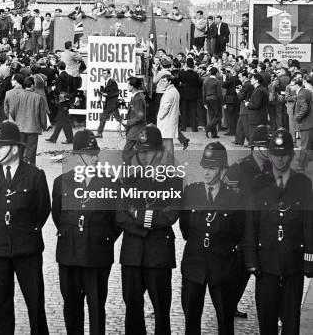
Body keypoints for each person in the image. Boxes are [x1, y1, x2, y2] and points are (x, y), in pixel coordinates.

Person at [0, 121, 51, 335]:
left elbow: (42, 210)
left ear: (16, 148)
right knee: (1, 303)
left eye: (2, 146)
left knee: (35, 302)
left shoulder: (35, 175)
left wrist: (25, 229)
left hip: (27, 248)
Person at [244, 129, 313, 334]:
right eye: (275, 154)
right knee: (267, 320)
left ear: (291, 155)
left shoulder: (303, 184)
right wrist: (251, 260)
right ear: (270, 155)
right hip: (266, 263)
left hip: (293, 262)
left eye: (284, 154)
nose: (280, 159)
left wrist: (309, 260)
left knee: (291, 322)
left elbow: (309, 223)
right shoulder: (259, 183)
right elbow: (251, 225)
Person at [51, 130, 121, 335]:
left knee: (97, 307)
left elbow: (116, 222)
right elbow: (58, 217)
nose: (94, 158)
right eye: (89, 154)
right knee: (71, 306)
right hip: (69, 254)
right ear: (75, 156)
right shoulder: (61, 182)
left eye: (95, 153)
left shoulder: (111, 183)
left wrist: (99, 237)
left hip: (97, 254)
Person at [116, 124, 182, 335]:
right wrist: (148, 221)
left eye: (148, 152)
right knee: (132, 309)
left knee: (161, 309)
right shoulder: (127, 174)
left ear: (159, 151)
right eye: (141, 152)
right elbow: (119, 214)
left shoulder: (172, 176)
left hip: (158, 252)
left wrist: (138, 215)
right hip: (132, 252)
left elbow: (171, 215)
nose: (144, 157)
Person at [180, 142, 243, 335]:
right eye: (205, 167)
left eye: (212, 168)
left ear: (223, 169)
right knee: (191, 321)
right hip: (194, 265)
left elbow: (237, 232)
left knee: (225, 321)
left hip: (222, 267)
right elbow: (185, 229)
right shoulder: (191, 192)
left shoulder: (233, 198)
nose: (207, 172)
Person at [224, 124, 271, 319]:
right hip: (242, 231)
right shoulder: (239, 169)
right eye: (264, 146)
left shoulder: (272, 168)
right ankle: (227, 307)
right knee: (238, 275)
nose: (268, 150)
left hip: (263, 230)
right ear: (254, 147)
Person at [7, 76, 49, 165]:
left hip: (20, 127)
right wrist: (44, 126)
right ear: (32, 85)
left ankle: (19, 168)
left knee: (20, 150)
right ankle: (31, 169)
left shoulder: (17, 96)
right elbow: (42, 114)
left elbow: (12, 111)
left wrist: (17, 120)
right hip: (33, 128)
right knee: (31, 151)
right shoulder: (38, 97)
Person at [120, 77, 147, 163]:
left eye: (128, 84)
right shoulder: (137, 97)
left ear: (132, 86)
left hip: (136, 131)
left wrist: (127, 122)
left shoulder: (137, 98)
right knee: (133, 153)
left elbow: (139, 116)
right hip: (136, 130)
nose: (127, 86)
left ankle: (126, 174)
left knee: (126, 153)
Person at [157, 73, 181, 160]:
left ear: (169, 82)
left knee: (167, 145)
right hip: (170, 121)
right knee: (168, 145)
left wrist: (159, 116)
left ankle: (167, 166)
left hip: (166, 122)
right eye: (161, 81)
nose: (162, 83)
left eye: (164, 81)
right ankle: (167, 165)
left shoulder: (169, 93)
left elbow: (165, 107)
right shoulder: (173, 91)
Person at [95, 68, 121, 138]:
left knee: (117, 118)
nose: (103, 75)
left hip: (112, 103)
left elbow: (116, 93)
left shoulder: (112, 82)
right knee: (104, 118)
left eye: (105, 73)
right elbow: (102, 91)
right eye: (103, 73)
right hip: (108, 103)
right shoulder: (104, 82)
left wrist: (107, 95)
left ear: (109, 74)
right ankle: (99, 133)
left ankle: (129, 129)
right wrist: (100, 98)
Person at [294, 74, 313, 171]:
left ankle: (301, 165)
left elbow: (304, 108)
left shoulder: (301, 94)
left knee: (304, 145)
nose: (291, 86)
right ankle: (303, 163)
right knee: (307, 145)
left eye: (292, 85)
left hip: (306, 123)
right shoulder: (306, 92)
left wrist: (298, 117)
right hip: (309, 122)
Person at [202, 67, 223, 138]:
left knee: (212, 116)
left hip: (207, 99)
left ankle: (213, 134)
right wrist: (222, 102)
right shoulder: (217, 81)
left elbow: (203, 92)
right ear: (216, 73)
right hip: (215, 99)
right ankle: (208, 128)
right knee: (218, 116)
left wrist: (204, 102)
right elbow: (219, 93)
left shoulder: (205, 81)